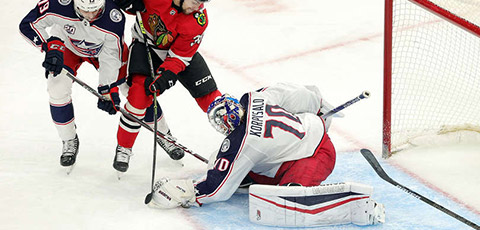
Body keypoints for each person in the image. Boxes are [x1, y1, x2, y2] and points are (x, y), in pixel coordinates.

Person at [147, 83, 385, 227]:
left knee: (292, 201)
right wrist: (319, 106)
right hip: (311, 136)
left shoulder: (242, 144)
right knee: (223, 162)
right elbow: (299, 94)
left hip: (316, 155)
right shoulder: (255, 97)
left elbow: (217, 190)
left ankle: (353, 207)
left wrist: (188, 193)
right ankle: (248, 177)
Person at [105, 0, 222, 172]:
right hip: (146, 44)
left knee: (213, 101)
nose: (199, 7)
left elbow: (180, 57)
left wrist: (165, 76)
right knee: (138, 97)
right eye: (195, 1)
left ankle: (241, 143)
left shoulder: (198, 19)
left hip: (178, 54)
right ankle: (124, 148)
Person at [19, 0, 128, 170]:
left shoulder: (114, 17)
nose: (92, 15)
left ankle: (165, 134)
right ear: (75, 4)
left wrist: (106, 87)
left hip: (100, 51)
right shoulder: (58, 1)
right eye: (86, 10)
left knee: (132, 88)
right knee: (56, 88)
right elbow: (27, 24)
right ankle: (68, 139)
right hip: (68, 45)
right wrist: (48, 45)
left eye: (96, 10)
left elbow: (111, 56)